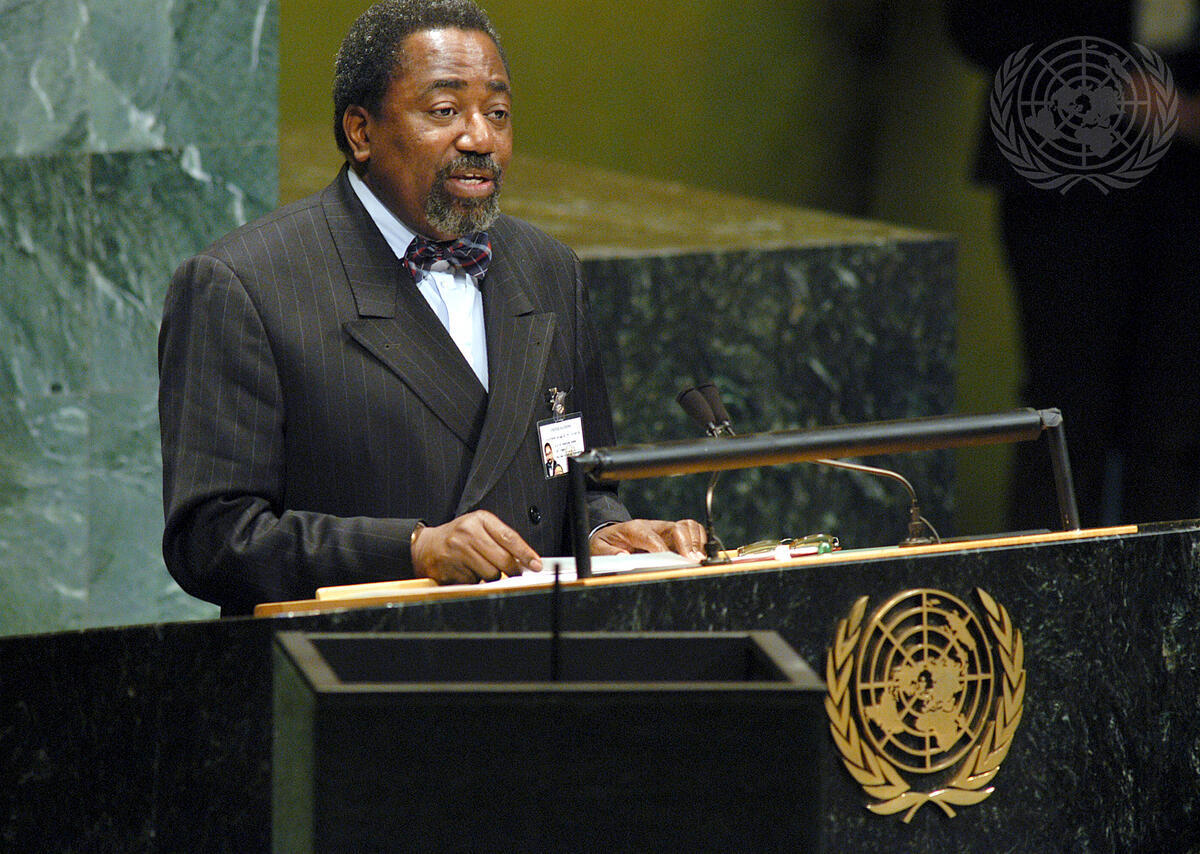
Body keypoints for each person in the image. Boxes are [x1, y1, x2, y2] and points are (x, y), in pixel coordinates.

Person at [158, 0, 705, 615]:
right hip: (356, 662)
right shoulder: (243, 284)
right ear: (361, 132)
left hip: (537, 654)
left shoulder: (548, 267)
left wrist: (606, 533)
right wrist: (412, 550)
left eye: (497, 113)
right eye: (444, 111)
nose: (480, 138)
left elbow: (579, 475)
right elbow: (212, 539)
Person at [946, 1, 1200, 529]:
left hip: (1184, 180)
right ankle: (1049, 579)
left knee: (1175, 417)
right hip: (1066, 164)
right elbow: (979, 22)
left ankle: (1164, 583)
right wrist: (1113, 84)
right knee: (1066, 410)